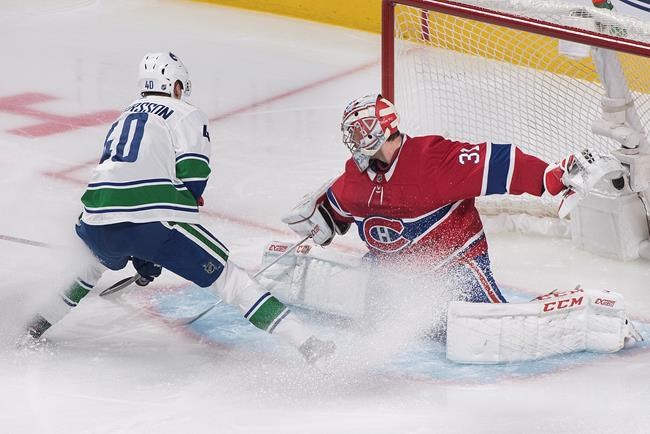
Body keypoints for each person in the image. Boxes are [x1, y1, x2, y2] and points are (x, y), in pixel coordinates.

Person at [25, 52, 334, 363]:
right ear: (173, 85)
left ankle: (31, 329)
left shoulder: (124, 115)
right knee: (231, 280)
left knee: (89, 269)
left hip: (94, 218)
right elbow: (194, 177)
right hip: (154, 221)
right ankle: (309, 345)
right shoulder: (185, 113)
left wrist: (142, 250)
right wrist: (151, 246)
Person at [282, 94, 577, 315]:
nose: (354, 139)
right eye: (352, 133)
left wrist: (547, 177)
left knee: (484, 327)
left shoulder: (431, 160)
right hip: (390, 277)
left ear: (381, 127)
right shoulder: (355, 176)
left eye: (360, 130)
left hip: (454, 269)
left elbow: (500, 163)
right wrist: (322, 218)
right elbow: (336, 210)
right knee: (371, 314)